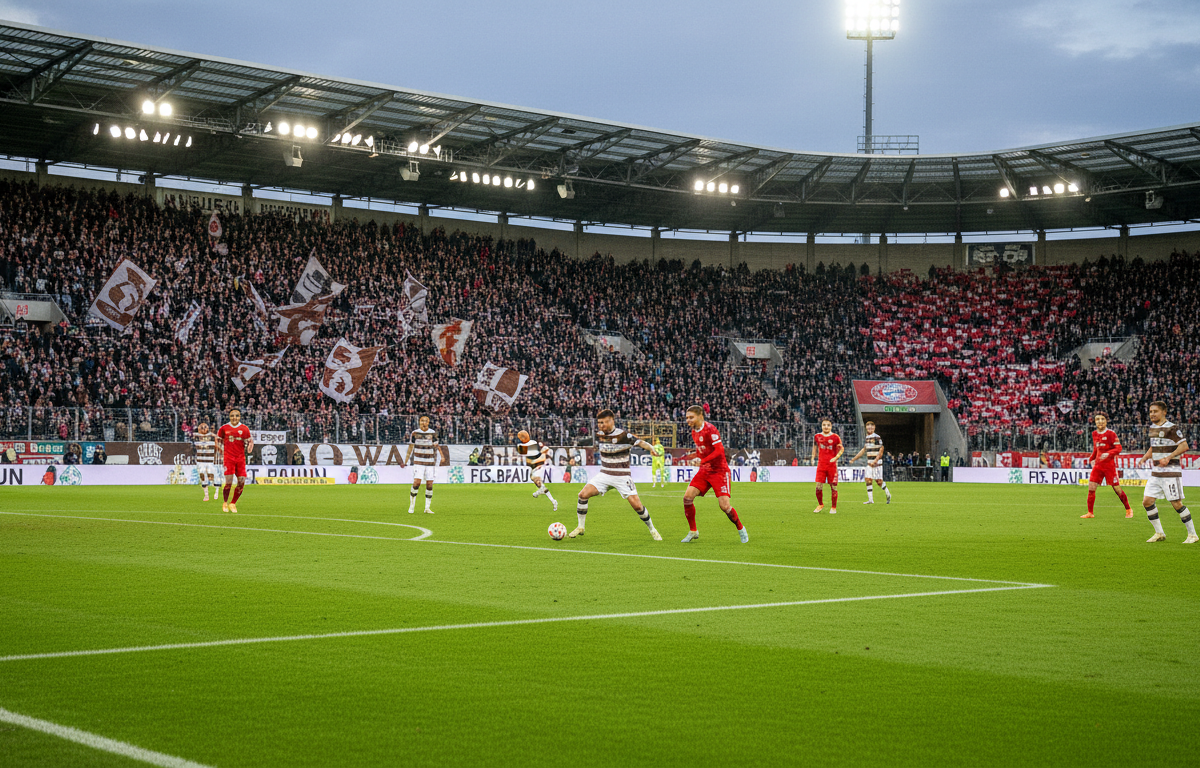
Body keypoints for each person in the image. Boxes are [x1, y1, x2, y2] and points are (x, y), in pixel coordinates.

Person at [571, 409, 660, 540]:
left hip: (622, 476)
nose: (601, 425)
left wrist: (652, 449)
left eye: (604, 422)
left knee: (637, 506)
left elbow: (640, 442)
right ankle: (581, 527)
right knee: (582, 495)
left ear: (612, 421)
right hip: (604, 474)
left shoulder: (623, 436)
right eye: (599, 423)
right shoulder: (599, 434)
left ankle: (652, 529)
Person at [680, 404, 748, 543]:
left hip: (719, 471)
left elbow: (719, 451)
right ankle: (693, 531)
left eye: (691, 417)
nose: (688, 420)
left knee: (724, 506)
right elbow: (701, 451)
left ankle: (741, 529)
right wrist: (690, 457)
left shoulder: (710, 429)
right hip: (705, 470)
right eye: (687, 418)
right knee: (687, 497)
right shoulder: (694, 432)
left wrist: (703, 460)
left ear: (700, 416)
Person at [1139, 401, 1196, 544]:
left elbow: (1184, 446)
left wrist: (1169, 457)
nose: (1152, 414)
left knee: (1176, 503)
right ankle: (1159, 533)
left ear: (1164, 412)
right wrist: (1145, 457)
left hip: (1170, 472)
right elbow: (1153, 447)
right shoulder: (1152, 428)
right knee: (1147, 501)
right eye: (1151, 411)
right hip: (1156, 472)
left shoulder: (1172, 428)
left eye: (1155, 411)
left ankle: (1192, 534)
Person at [1081, 411, 1132, 519]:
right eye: (1097, 419)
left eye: (1102, 419)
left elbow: (1119, 448)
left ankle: (1128, 509)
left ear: (1106, 421)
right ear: (1095, 422)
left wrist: (1108, 453)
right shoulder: (1094, 433)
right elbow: (1096, 448)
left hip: (1109, 467)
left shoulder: (1111, 434)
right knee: (1091, 487)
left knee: (1117, 489)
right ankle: (1090, 513)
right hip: (1098, 466)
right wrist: (1092, 458)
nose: (1100, 421)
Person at [216, 407, 253, 513]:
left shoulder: (244, 429)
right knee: (228, 482)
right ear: (229, 416)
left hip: (241, 459)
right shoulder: (224, 428)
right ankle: (225, 502)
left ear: (239, 417)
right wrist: (220, 450)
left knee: (241, 482)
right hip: (229, 458)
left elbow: (249, 441)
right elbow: (218, 440)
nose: (234, 417)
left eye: (236, 415)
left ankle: (233, 503)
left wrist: (250, 446)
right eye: (232, 415)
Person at [848, 421, 891, 504]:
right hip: (869, 463)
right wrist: (854, 459)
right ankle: (870, 500)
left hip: (877, 463)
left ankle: (887, 493)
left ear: (874, 428)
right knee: (868, 479)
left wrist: (875, 460)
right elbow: (863, 450)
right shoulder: (867, 438)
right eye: (868, 426)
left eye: (871, 426)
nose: (869, 428)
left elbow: (881, 449)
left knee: (878, 481)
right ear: (866, 428)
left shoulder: (876, 437)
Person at [516, 429, 558, 512]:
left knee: (536, 479)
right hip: (535, 467)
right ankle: (553, 501)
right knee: (538, 483)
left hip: (540, 467)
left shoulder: (538, 448)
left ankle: (539, 492)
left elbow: (543, 455)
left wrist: (538, 458)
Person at [405, 415, 439, 514]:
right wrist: (406, 460)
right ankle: (412, 506)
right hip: (418, 462)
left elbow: (436, 447)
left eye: (426, 421)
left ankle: (427, 508)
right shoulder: (415, 433)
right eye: (422, 421)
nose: (424, 422)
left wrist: (435, 461)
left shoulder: (433, 433)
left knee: (429, 484)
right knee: (417, 482)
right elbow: (411, 447)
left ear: (428, 422)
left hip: (429, 462)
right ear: (419, 422)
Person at [811, 419, 843, 513]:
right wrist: (813, 457)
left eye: (828, 425)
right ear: (821, 426)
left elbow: (841, 449)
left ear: (831, 426)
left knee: (833, 486)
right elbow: (814, 447)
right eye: (824, 425)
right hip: (821, 465)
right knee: (818, 486)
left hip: (832, 466)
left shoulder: (835, 437)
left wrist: (836, 457)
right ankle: (820, 504)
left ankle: (833, 507)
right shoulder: (817, 436)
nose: (826, 427)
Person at [193, 421, 218, 502]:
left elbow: (217, 444)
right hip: (200, 461)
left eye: (205, 427)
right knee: (202, 476)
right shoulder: (195, 435)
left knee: (211, 476)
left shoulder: (212, 435)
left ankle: (216, 491)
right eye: (201, 427)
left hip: (210, 460)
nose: (203, 429)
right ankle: (206, 495)